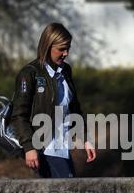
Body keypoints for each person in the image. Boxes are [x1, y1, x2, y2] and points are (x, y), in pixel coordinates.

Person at [10, 23, 96, 178]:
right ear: (47, 46)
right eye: (61, 49)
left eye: (68, 48)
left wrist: (85, 139)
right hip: (44, 147)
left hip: (63, 146)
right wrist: (29, 147)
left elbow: (75, 109)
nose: (66, 53)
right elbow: (18, 115)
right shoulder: (29, 74)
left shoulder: (66, 71)